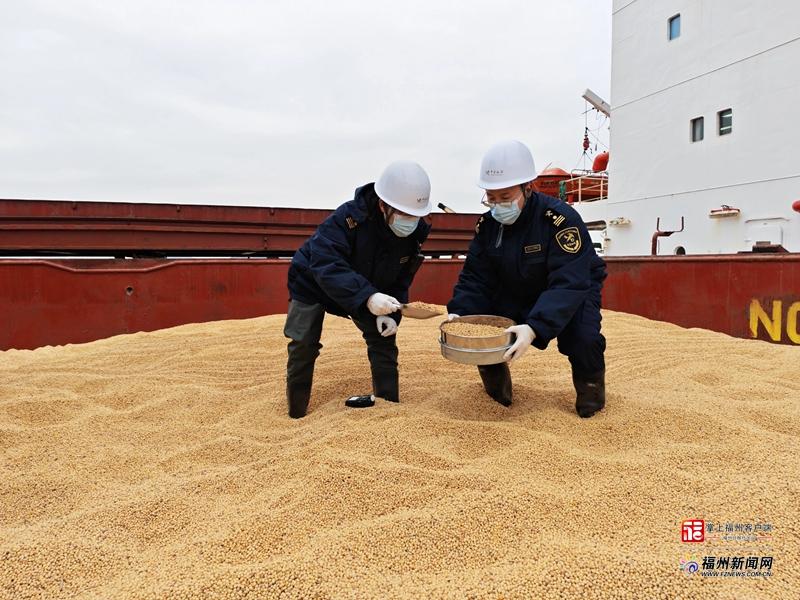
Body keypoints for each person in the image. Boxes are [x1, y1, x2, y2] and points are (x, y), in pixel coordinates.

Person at [447, 140, 607, 418]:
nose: (497, 205)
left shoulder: (560, 219)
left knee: (584, 337)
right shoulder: (488, 226)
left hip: (572, 287)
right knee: (485, 325)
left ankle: (591, 392)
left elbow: (569, 281)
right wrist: (461, 312)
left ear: (528, 187)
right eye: (491, 197)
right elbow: (476, 276)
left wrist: (534, 327)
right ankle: (497, 387)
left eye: (505, 196)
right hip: (516, 285)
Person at [284, 161, 432, 418]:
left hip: (364, 288)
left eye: (414, 215)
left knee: (383, 338)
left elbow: (400, 279)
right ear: (382, 205)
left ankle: (388, 408)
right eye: (403, 214)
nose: (409, 222)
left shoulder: (414, 233)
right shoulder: (347, 218)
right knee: (303, 343)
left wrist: (391, 313)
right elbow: (326, 263)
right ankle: (296, 412)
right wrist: (368, 296)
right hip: (312, 281)